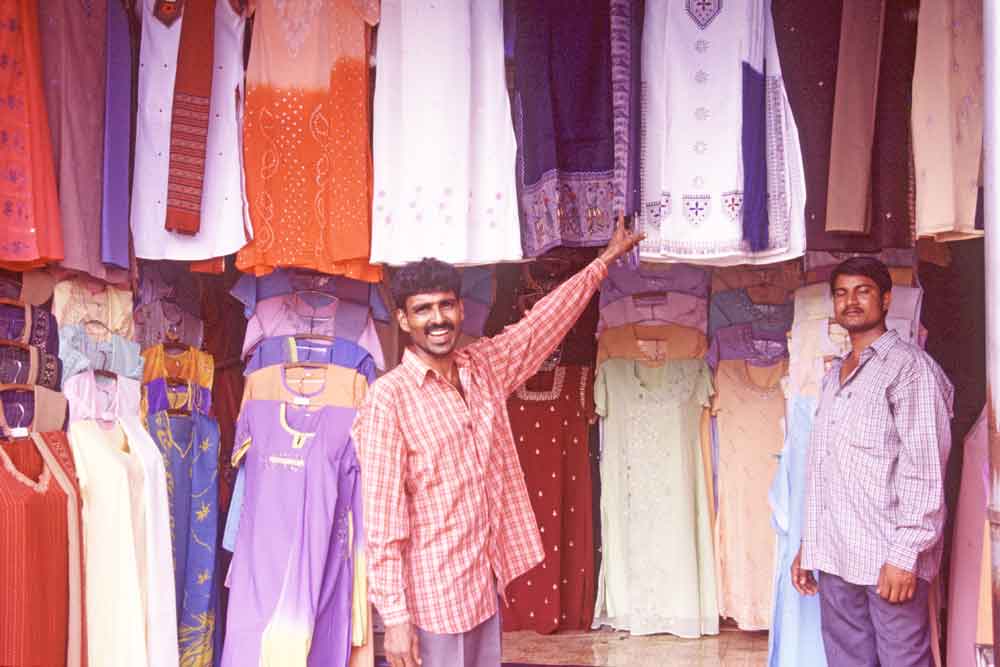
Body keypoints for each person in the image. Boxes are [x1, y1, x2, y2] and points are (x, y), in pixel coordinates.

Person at [352, 218, 643, 667]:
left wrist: (601, 262)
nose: (437, 319)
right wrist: (394, 618)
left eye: (445, 306)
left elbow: (541, 326)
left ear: (461, 311)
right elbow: (383, 522)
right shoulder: (389, 400)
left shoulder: (482, 368)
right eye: (423, 309)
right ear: (404, 319)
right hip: (431, 600)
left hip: (481, 590)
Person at [790, 257, 953, 666]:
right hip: (836, 555)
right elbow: (827, 468)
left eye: (862, 291)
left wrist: (905, 555)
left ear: (885, 299)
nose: (851, 302)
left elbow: (925, 468)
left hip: (887, 557)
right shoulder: (835, 376)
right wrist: (811, 545)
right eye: (841, 293)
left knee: (903, 661)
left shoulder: (910, 370)